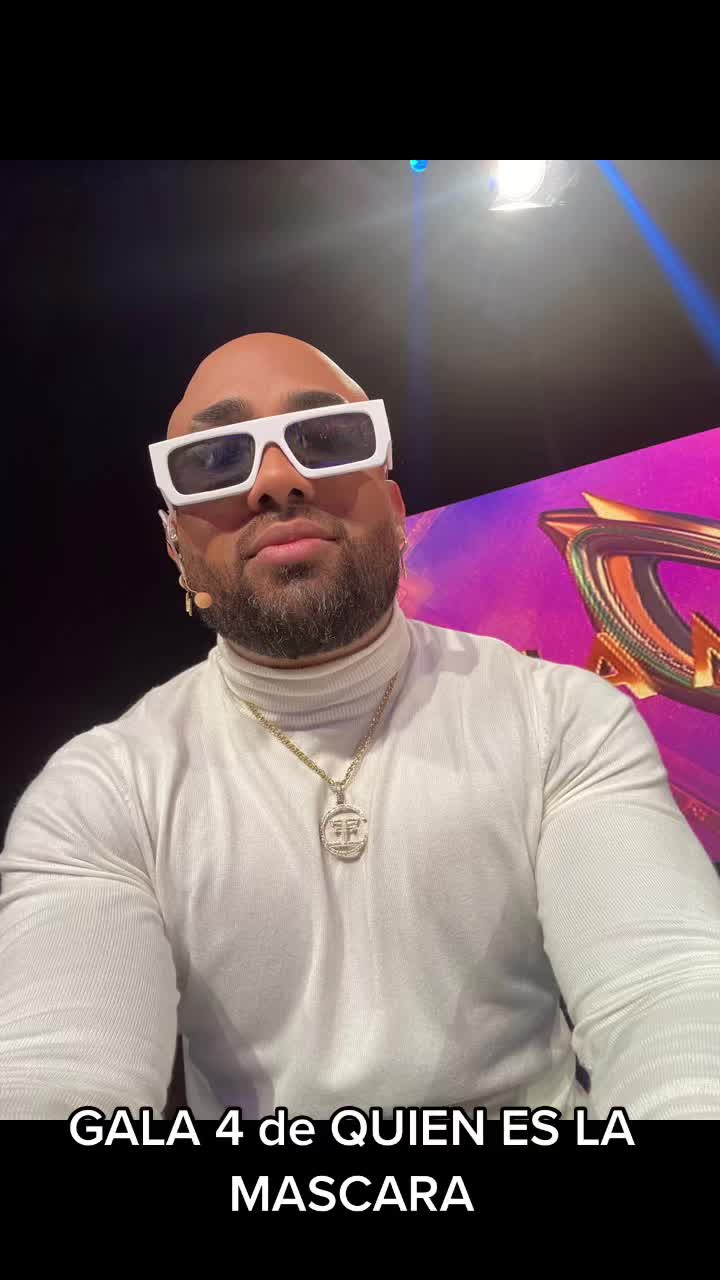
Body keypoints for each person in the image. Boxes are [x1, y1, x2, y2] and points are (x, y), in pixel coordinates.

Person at [1, 332, 720, 1122]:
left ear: (398, 511)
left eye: (327, 439)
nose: (278, 479)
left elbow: (670, 993)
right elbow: (56, 1072)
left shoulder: (562, 718)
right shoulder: (102, 794)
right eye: (214, 460)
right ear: (177, 549)